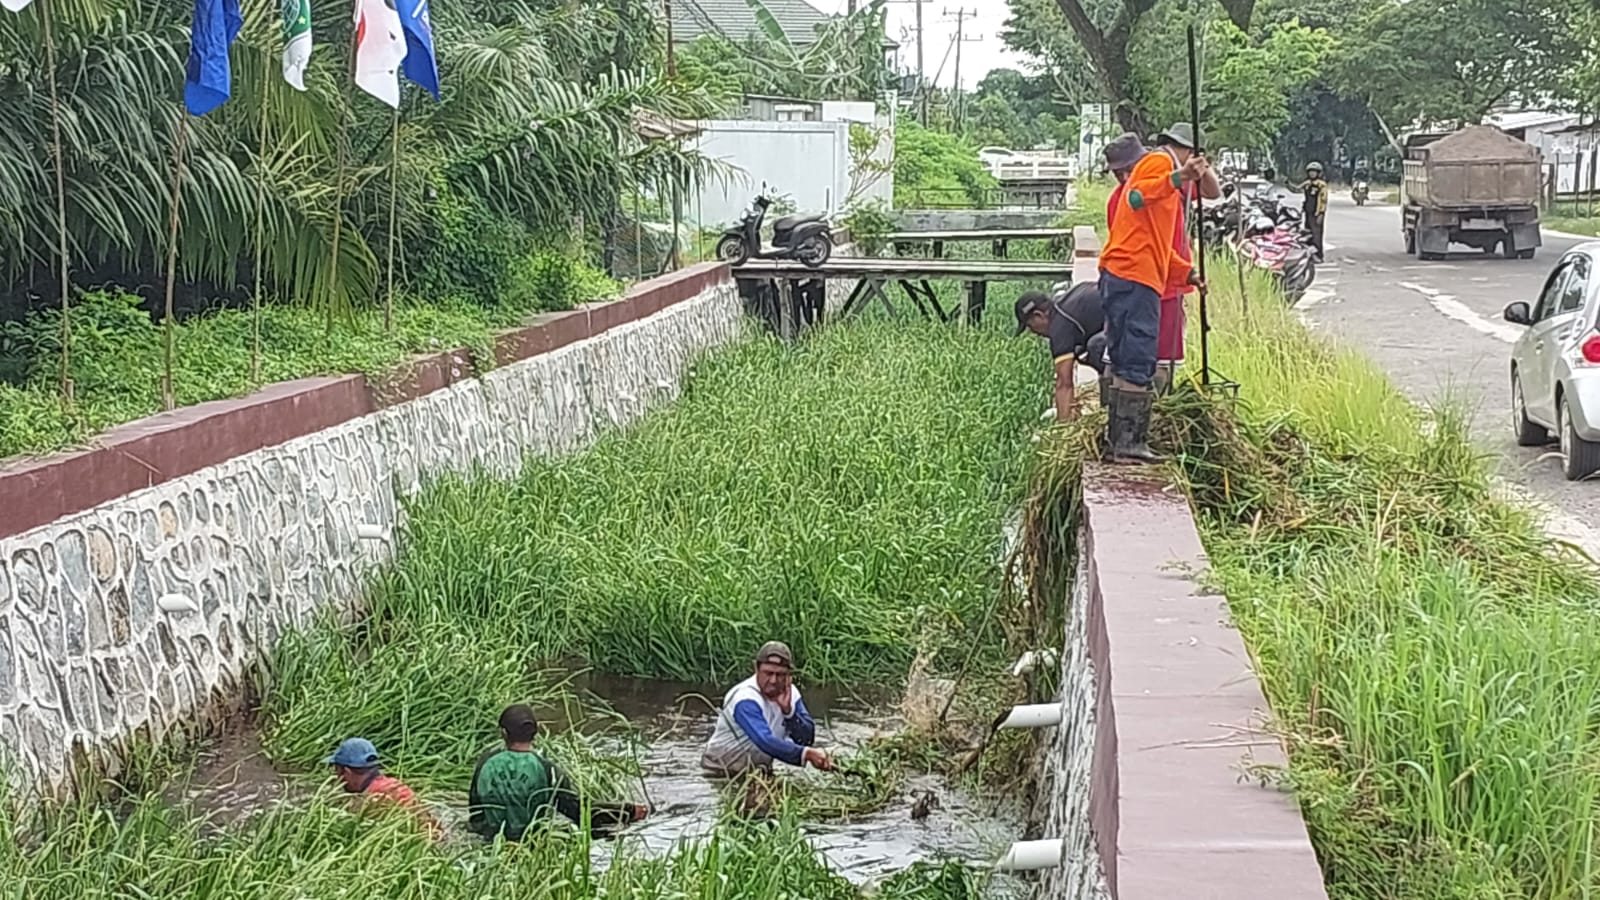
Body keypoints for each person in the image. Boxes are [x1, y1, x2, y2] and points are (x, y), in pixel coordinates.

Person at [1098, 132, 1209, 463]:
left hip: (1123, 273)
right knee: (1138, 356)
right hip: (1134, 279)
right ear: (1186, 152)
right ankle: (1129, 445)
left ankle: (1117, 438)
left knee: (1122, 355)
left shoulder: (1162, 185)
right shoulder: (1158, 163)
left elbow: (1155, 246)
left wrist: (1186, 273)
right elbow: (1136, 196)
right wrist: (1181, 176)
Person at [1124, 123, 1221, 394]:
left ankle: (1157, 400)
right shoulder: (1162, 170)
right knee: (1145, 355)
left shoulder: (1178, 176)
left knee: (1162, 353)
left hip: (1171, 271)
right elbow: (1137, 197)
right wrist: (1179, 176)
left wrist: (1199, 166)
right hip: (1153, 276)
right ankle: (1147, 403)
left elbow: (1213, 192)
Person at [467, 704, 649, 842]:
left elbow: (476, 816)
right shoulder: (548, 770)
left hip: (491, 846)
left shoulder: (485, 763)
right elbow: (580, 812)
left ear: (503, 733)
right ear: (535, 734)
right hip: (531, 845)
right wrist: (629, 811)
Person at [701, 641, 832, 777]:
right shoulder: (744, 698)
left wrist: (789, 714)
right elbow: (764, 740)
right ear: (756, 669)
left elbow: (806, 739)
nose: (773, 680)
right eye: (768, 673)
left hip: (760, 773)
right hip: (721, 771)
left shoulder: (791, 694)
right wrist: (806, 754)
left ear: (788, 675)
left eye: (780, 674)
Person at [1013, 283, 1107, 419]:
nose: (1032, 332)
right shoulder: (1067, 303)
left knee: (1097, 348)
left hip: (1138, 330)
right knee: (1084, 352)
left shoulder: (1059, 327)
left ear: (1038, 315)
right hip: (1140, 308)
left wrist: (1063, 430)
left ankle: (1117, 408)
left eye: (1029, 326)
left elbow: (1064, 384)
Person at [325, 737, 442, 839]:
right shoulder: (397, 786)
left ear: (347, 771)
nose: (337, 777)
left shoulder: (370, 801)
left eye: (337, 770)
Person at [1297, 161, 1329, 261]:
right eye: (1310, 172)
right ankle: (1309, 253)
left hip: (1316, 213)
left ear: (1319, 173)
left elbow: (1323, 200)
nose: (1312, 174)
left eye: (1314, 172)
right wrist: (1287, 184)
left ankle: (1318, 255)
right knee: (1308, 233)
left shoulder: (1321, 185)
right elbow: (1297, 189)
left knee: (1317, 235)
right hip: (1308, 212)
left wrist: (1321, 213)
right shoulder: (1307, 183)